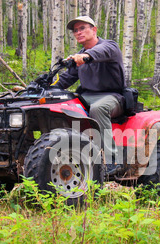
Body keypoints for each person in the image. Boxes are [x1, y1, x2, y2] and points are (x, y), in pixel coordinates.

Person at [56, 16, 125, 176]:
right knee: (61, 106)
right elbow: (65, 79)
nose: (78, 32)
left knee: (98, 109)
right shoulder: (79, 57)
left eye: (82, 28)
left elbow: (99, 52)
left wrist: (85, 57)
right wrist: (41, 87)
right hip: (86, 97)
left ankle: (113, 160)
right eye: (75, 30)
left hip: (112, 97)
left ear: (94, 30)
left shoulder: (109, 47)